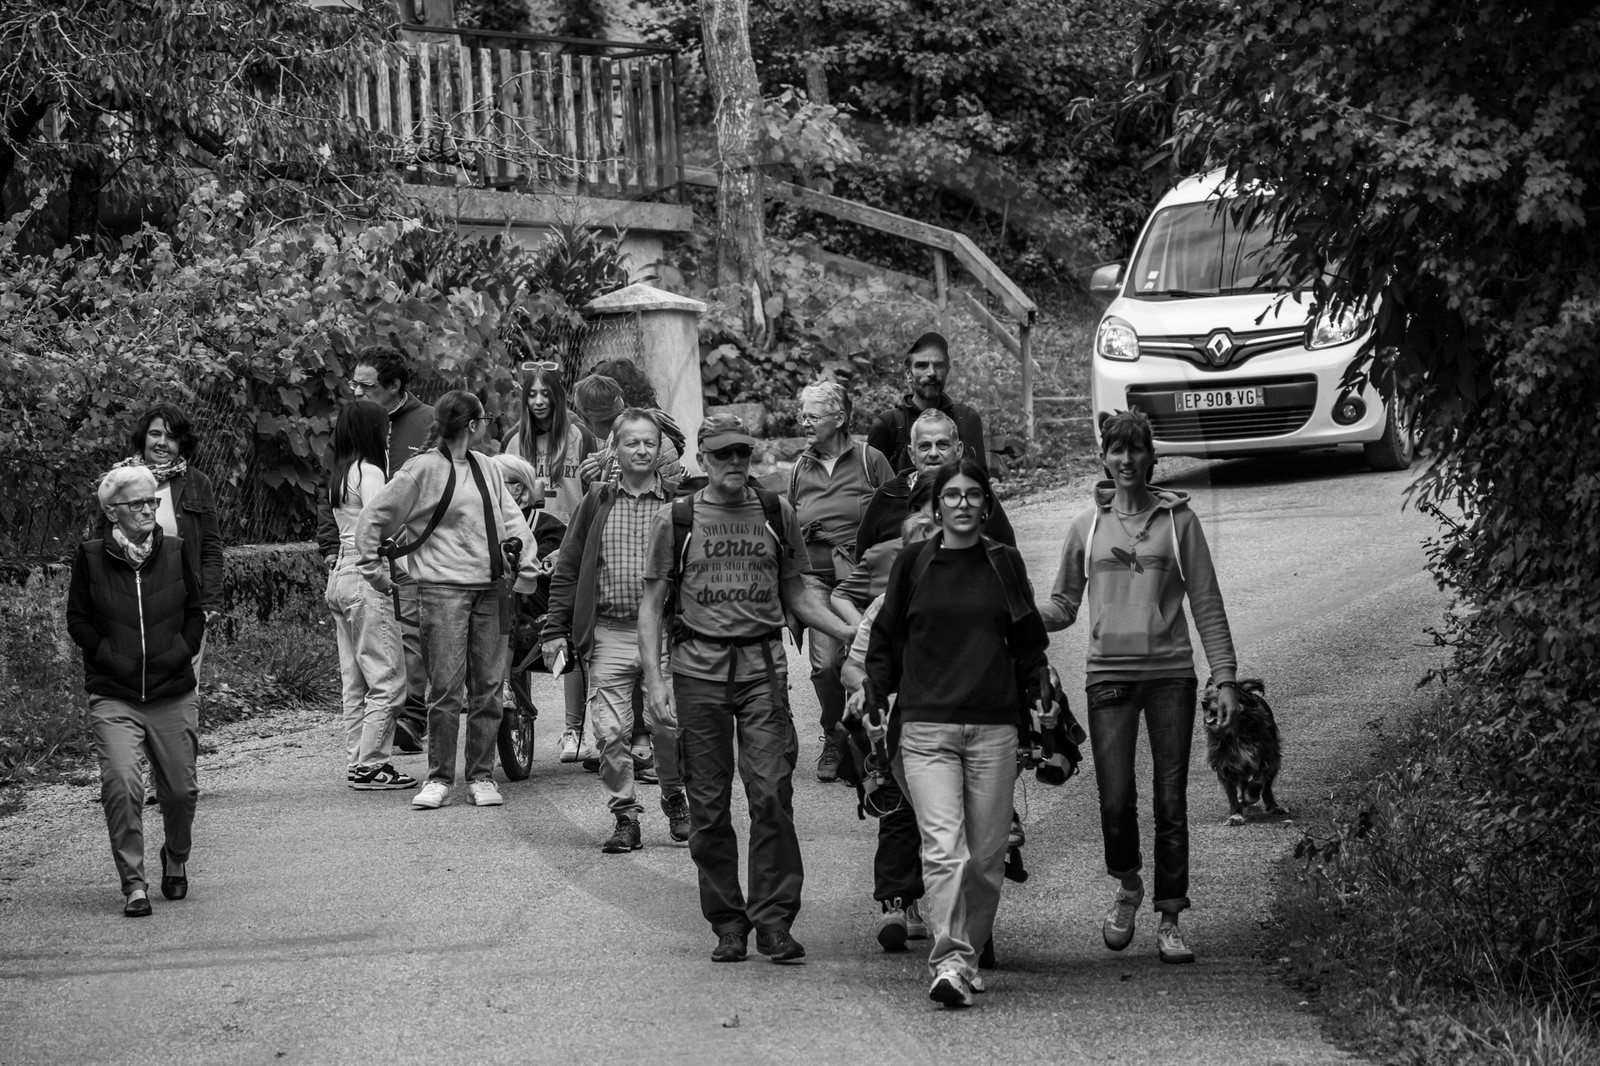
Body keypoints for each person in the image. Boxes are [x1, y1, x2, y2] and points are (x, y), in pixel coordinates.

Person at [637, 413, 858, 964]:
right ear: (703, 459)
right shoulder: (676, 519)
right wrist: (656, 682)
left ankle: (774, 921)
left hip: (763, 672)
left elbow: (797, 594)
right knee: (708, 805)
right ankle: (728, 923)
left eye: (741, 452)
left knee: (772, 794)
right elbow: (652, 605)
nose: (734, 462)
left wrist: (852, 633)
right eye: (722, 454)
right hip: (698, 675)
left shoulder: (776, 513)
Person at [1038, 409, 1242, 965]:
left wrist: (1225, 677)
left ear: (1152, 457)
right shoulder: (1086, 526)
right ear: (1103, 457)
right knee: (1116, 798)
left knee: (1170, 799)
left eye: (1136, 449)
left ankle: (1171, 917)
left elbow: (1206, 602)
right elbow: (1063, 605)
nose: (1126, 459)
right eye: (1116, 449)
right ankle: (1129, 887)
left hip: (1170, 674)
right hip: (1108, 674)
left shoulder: (1180, 522)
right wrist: (1012, 615)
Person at [861, 457, 1052, 1008]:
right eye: (952, 495)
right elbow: (885, 638)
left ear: (986, 505)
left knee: (986, 861)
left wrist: (1039, 684)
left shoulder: (1004, 563)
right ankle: (949, 964)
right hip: (926, 730)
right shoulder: (914, 562)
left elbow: (1028, 642)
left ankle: (963, 958)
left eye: (973, 495)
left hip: (994, 729)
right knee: (944, 849)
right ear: (937, 505)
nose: (962, 503)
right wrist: (874, 691)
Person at [355, 391, 544, 811]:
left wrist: (527, 569)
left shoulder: (487, 467)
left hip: (491, 590)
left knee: (489, 688)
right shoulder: (422, 469)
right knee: (445, 689)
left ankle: (481, 776)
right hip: (442, 591)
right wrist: (372, 569)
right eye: (485, 421)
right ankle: (439, 777)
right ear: (473, 425)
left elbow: (511, 517)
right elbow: (375, 516)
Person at [543, 409, 690, 852]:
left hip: (664, 635)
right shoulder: (597, 501)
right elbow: (569, 567)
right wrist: (555, 628)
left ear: (660, 449)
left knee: (667, 725)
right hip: (609, 631)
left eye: (649, 443)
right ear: (615, 449)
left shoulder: (679, 505)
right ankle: (625, 816)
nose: (641, 450)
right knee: (610, 732)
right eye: (632, 443)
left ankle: (674, 795)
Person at [68, 466, 204, 917]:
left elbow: (195, 612)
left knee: (181, 792)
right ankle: (134, 884)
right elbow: (77, 620)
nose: (149, 510)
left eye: (153, 502)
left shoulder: (176, 550)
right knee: (122, 785)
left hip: (172, 690)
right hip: (115, 693)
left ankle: (176, 857)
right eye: (138, 503)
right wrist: (108, 654)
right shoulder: (90, 557)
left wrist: (180, 652)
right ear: (112, 511)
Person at [317, 345, 436, 755]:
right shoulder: (362, 451)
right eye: (355, 384)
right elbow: (364, 512)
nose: (357, 392)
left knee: (398, 644)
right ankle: (371, 757)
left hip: (410, 552)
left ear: (394, 385)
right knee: (384, 666)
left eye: (366, 386)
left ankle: (391, 731)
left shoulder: (427, 422)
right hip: (374, 559)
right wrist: (332, 545)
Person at [836, 512, 937, 953]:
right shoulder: (884, 606)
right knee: (898, 812)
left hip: (957, 719)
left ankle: (965, 910)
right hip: (898, 726)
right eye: (916, 546)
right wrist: (869, 691)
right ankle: (897, 902)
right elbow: (852, 667)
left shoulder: (972, 592)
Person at [786, 381, 893, 783]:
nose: (805, 423)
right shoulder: (800, 467)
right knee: (826, 664)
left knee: (866, 659)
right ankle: (835, 734)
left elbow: (895, 514)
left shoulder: (870, 459)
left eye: (812, 416)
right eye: (803, 415)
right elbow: (790, 525)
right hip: (815, 577)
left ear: (840, 418)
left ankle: (871, 739)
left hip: (864, 576)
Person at [503, 359, 596, 765]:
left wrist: (576, 546)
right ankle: (511, 710)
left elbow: (594, 494)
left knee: (570, 634)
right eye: (532, 394)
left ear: (558, 396)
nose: (539, 401)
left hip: (569, 546)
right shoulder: (513, 440)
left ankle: (575, 729)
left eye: (546, 393)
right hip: (525, 544)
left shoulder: (579, 436)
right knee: (515, 625)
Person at [324, 400, 416, 792]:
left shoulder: (342, 472)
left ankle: (357, 761)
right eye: (385, 428)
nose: (389, 434)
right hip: (366, 573)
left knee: (355, 681)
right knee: (388, 677)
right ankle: (373, 764)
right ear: (371, 431)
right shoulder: (371, 471)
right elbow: (379, 525)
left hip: (340, 576)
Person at [98, 404, 224, 660]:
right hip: (129, 603)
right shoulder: (118, 483)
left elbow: (210, 547)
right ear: (143, 437)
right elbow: (101, 543)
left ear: (182, 443)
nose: (162, 443)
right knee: (134, 676)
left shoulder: (198, 484)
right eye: (155, 434)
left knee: (183, 677)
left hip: (183, 604)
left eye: (172, 437)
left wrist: (211, 601)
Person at [856, 408, 1015, 559]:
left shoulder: (978, 495)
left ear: (958, 450)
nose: (933, 453)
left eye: (942, 445)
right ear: (912, 454)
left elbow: (1006, 555)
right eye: (925, 446)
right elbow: (864, 559)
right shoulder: (887, 496)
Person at [867, 331, 988, 474]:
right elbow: (872, 483)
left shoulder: (967, 420)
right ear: (908, 373)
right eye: (922, 365)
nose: (931, 373)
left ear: (947, 370)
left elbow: (981, 481)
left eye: (939, 365)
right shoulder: (888, 426)